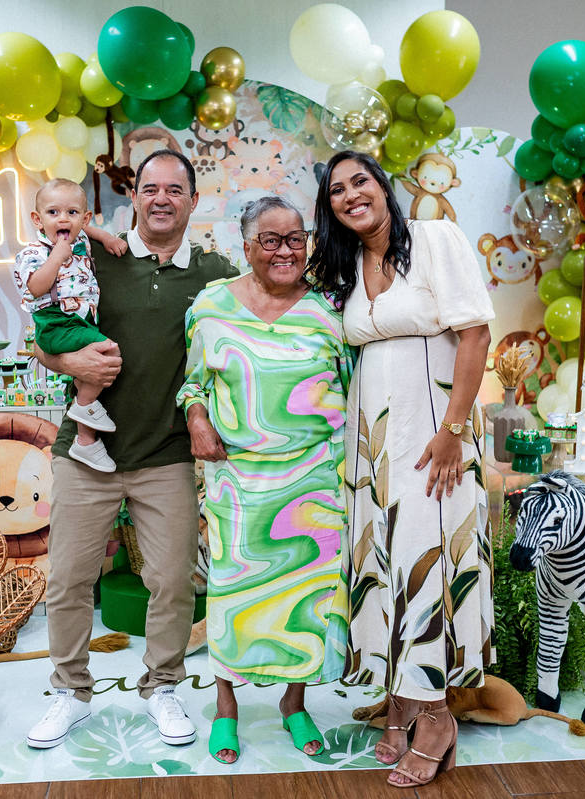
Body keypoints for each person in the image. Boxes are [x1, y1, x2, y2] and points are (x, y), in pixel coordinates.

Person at [25, 150, 239, 750]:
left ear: (193, 200)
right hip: (84, 449)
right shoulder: (91, 256)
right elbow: (39, 334)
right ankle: (70, 693)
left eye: (175, 189)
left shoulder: (215, 273)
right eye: (150, 188)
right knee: (69, 580)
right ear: (135, 197)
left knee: (172, 581)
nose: (161, 199)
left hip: (166, 452)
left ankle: (163, 686)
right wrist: (69, 362)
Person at [308, 150, 495, 789]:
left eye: (360, 181)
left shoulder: (435, 238)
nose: (350, 195)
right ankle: (400, 701)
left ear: (382, 186)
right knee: (383, 562)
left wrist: (453, 431)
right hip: (372, 446)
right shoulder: (349, 266)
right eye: (337, 190)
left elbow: (475, 335)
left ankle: (436, 717)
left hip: (432, 435)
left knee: (425, 559)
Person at [178, 196, 350, 764]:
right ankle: (226, 707)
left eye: (295, 239)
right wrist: (197, 419)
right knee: (231, 596)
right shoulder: (211, 306)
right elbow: (193, 382)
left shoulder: (328, 311)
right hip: (238, 478)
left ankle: (294, 703)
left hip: (313, 484)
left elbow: (352, 389)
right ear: (247, 246)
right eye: (271, 240)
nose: (285, 251)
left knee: (306, 600)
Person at [12, 178, 124, 472]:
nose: (63, 219)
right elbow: (36, 287)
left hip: (80, 319)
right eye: (53, 212)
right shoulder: (33, 253)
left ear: (84, 219)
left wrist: (107, 238)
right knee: (108, 351)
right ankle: (84, 407)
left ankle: (86, 441)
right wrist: (56, 258)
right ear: (38, 219)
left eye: (72, 213)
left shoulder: (81, 240)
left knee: (89, 371)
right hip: (55, 322)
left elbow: (88, 231)